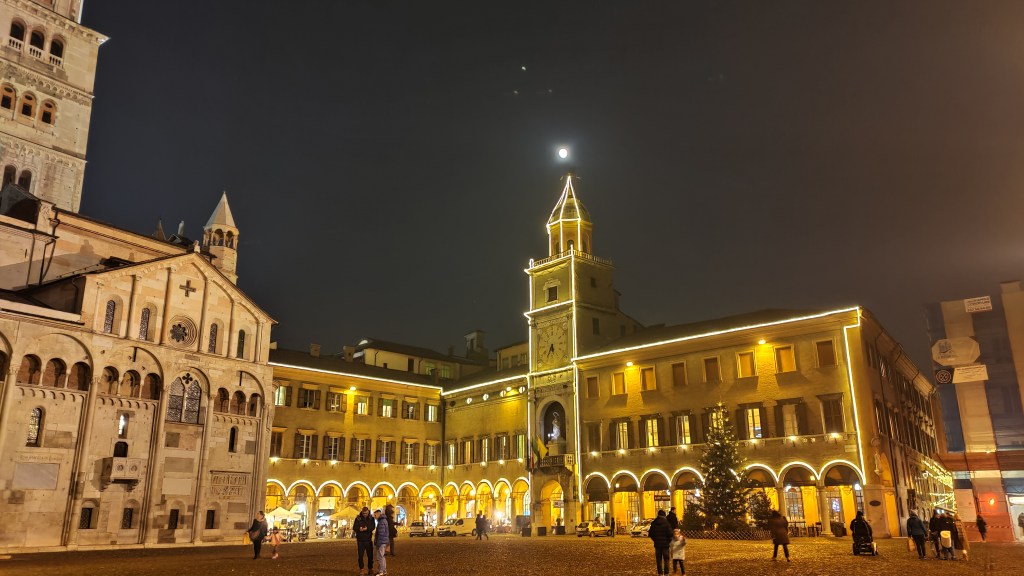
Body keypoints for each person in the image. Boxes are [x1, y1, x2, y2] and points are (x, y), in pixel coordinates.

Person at [648, 509, 674, 575]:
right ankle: (666, 573)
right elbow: (670, 534)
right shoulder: (667, 523)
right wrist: (668, 541)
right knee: (666, 559)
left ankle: (660, 573)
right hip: (665, 544)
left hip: (657, 544)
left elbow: (650, 534)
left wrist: (655, 540)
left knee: (658, 559)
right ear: (664, 515)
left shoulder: (654, 523)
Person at [353, 507, 375, 575]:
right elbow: (354, 527)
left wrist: (367, 528)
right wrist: (359, 529)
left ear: (368, 512)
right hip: (360, 540)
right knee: (360, 556)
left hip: (368, 539)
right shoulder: (358, 518)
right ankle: (361, 569)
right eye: (363, 513)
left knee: (370, 556)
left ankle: (370, 568)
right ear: (362, 512)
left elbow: (373, 527)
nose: (365, 514)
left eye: (366, 513)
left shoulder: (371, 518)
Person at [373, 509, 390, 576]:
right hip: (383, 541)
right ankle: (384, 571)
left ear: (379, 514)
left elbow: (381, 533)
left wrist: (378, 543)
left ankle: (381, 571)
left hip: (381, 541)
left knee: (380, 557)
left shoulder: (381, 522)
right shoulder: (383, 521)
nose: (374, 516)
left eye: (375, 515)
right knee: (382, 556)